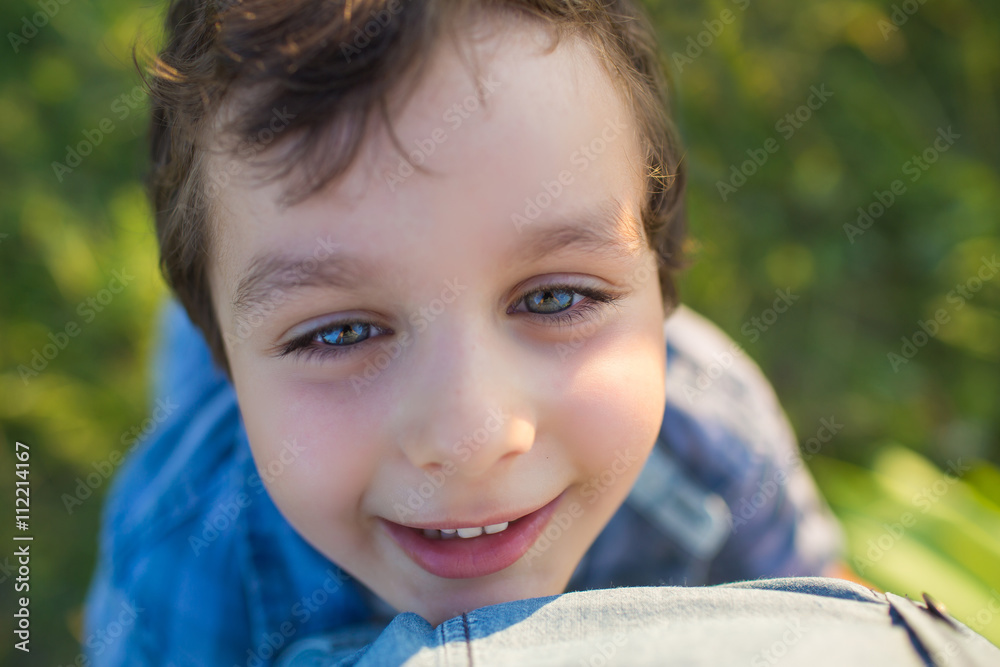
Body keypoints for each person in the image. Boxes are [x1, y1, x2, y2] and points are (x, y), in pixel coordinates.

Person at [85, 1, 848, 664]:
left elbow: (831, 623)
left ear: (663, 273)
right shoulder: (186, 554)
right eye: (344, 332)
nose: (471, 435)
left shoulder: (712, 449)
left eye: (553, 297)